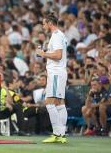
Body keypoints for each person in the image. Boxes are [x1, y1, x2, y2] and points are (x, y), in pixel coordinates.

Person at [36, 12, 68, 143]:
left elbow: (58, 55)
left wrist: (43, 54)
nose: (43, 26)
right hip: (58, 72)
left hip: (56, 72)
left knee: (49, 102)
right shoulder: (59, 35)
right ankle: (61, 134)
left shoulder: (56, 36)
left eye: (44, 23)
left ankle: (57, 133)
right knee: (59, 103)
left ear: (50, 23)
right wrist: (46, 53)